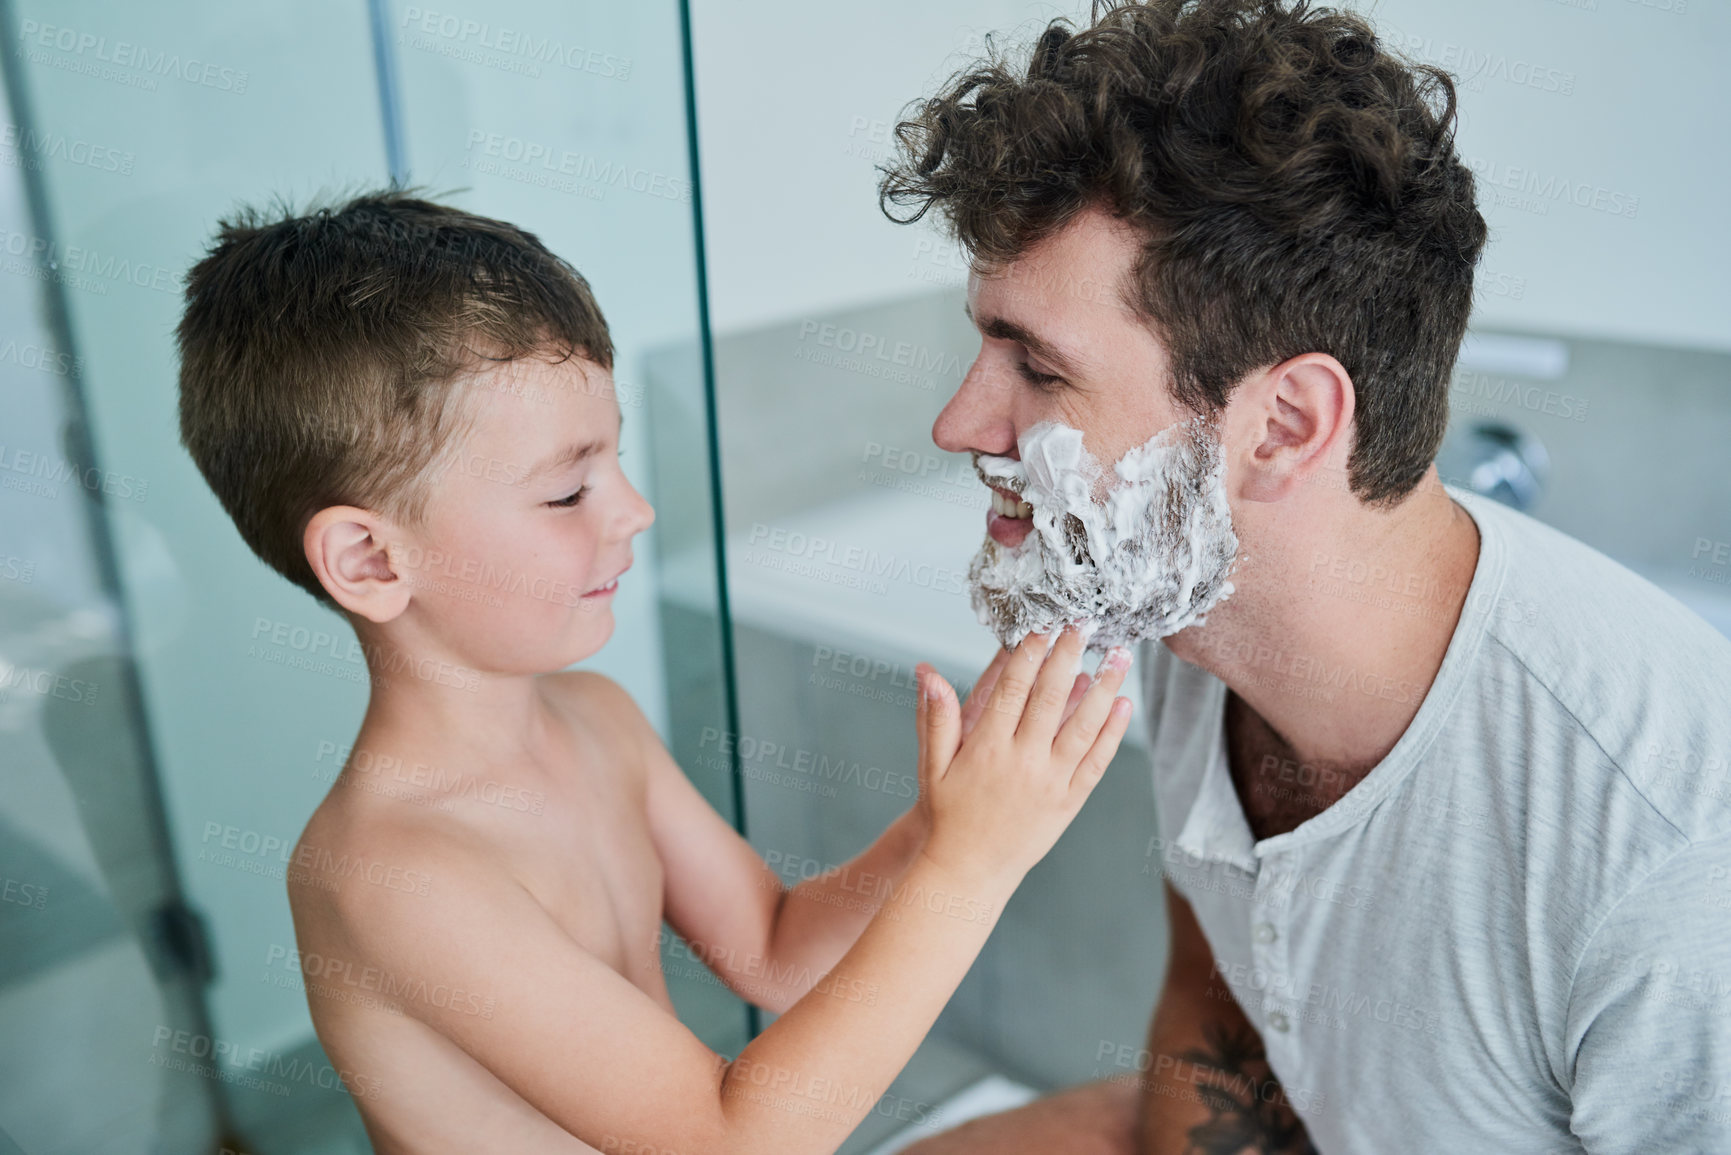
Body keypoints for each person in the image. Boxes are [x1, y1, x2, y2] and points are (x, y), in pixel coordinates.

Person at [876, 1, 1731, 1151]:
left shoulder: (1663, 852)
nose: (958, 423)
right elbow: (1217, 1011)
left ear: (1282, 426)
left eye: (1035, 366)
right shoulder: (1193, 614)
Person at [174, 189, 1136, 1153]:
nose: (632, 509)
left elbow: (773, 950)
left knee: (1129, 1117)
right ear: (372, 562)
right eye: (566, 490)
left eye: (616, 459)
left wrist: (939, 823)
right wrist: (974, 864)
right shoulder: (391, 873)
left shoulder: (595, 719)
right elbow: (730, 1141)